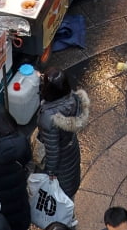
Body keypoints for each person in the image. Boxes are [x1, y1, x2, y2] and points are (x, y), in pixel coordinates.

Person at [38, 69, 90, 199]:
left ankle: (65, 217)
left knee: (60, 198)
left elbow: (53, 151)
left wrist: (50, 171)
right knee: (69, 191)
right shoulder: (74, 98)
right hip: (71, 151)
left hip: (60, 163)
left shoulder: (49, 118)